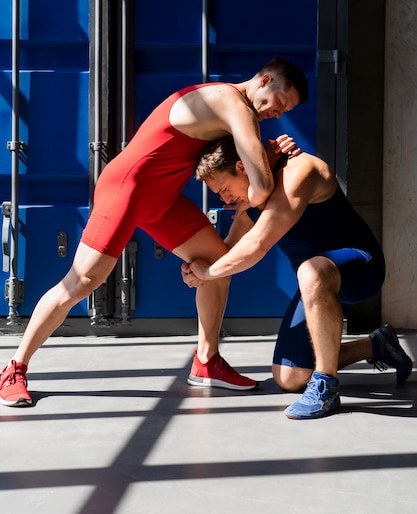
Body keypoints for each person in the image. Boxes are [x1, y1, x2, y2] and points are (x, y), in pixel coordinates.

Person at [0, 56, 309, 407]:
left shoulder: (235, 112)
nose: (278, 114)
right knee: (82, 282)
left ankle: (206, 362)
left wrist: (268, 155)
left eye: (285, 111)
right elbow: (260, 186)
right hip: (126, 189)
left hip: (161, 199)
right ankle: (14, 367)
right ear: (265, 81)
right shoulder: (230, 103)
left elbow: (240, 169)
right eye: (280, 103)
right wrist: (268, 166)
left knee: (219, 266)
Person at [182, 136, 413, 419]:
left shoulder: (301, 170)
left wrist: (208, 272)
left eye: (225, 189)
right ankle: (376, 345)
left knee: (310, 271)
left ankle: (326, 386)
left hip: (359, 270)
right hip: (315, 286)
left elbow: (255, 246)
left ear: (242, 167)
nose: (225, 199)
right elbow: (230, 251)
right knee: (289, 377)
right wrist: (198, 270)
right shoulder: (253, 201)